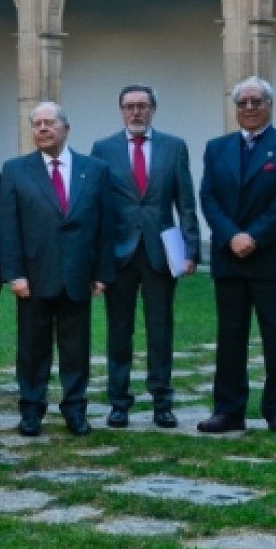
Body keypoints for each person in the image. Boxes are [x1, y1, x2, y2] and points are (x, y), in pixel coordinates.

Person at [0, 101, 115, 437]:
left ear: (66, 128)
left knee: (76, 348)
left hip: (78, 276)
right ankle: (31, 410)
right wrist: (14, 273)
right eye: (37, 124)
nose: (43, 129)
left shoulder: (94, 169)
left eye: (50, 123)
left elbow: (105, 225)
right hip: (33, 277)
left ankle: (75, 409)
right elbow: (7, 227)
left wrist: (102, 272)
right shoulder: (16, 170)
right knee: (32, 348)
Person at [197, 76, 276, 434]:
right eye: (242, 103)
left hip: (270, 256)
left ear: (269, 105)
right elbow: (209, 198)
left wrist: (254, 237)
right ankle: (228, 410)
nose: (249, 108)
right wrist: (231, 236)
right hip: (229, 257)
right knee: (230, 338)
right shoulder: (217, 148)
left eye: (256, 101)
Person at [89, 85, 200, 430]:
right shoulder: (103, 149)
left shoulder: (174, 147)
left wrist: (191, 251)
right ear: (121, 111)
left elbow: (185, 203)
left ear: (154, 109)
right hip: (118, 255)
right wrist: (96, 260)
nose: (136, 112)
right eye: (129, 106)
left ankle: (162, 402)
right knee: (118, 332)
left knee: (160, 329)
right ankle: (119, 402)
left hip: (160, 253)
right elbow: (97, 207)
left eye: (142, 106)